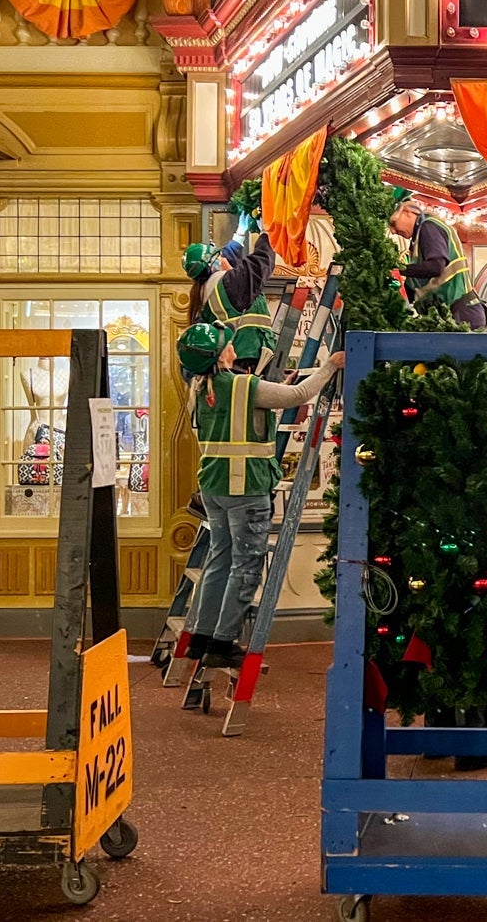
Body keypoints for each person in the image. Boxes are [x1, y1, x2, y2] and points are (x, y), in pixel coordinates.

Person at [176, 322, 340, 667]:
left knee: (219, 560)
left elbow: (254, 402)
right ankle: (222, 644)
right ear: (221, 355)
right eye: (227, 344)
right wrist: (330, 366)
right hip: (246, 489)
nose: (233, 345)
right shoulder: (242, 385)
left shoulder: (200, 386)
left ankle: (203, 636)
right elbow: (296, 398)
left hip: (214, 489)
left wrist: (278, 384)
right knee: (246, 566)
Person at [182, 206, 277, 374]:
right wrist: (266, 232)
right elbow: (260, 263)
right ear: (213, 265)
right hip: (250, 361)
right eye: (218, 257)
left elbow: (227, 261)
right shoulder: (229, 285)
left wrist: (239, 234)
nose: (223, 257)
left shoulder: (207, 290)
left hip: (235, 363)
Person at [387, 189, 487, 330]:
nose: (392, 231)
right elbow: (415, 287)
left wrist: (398, 268)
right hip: (450, 313)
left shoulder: (429, 227)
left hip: (460, 314)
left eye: (393, 223)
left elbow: (435, 267)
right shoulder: (417, 241)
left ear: (408, 212)